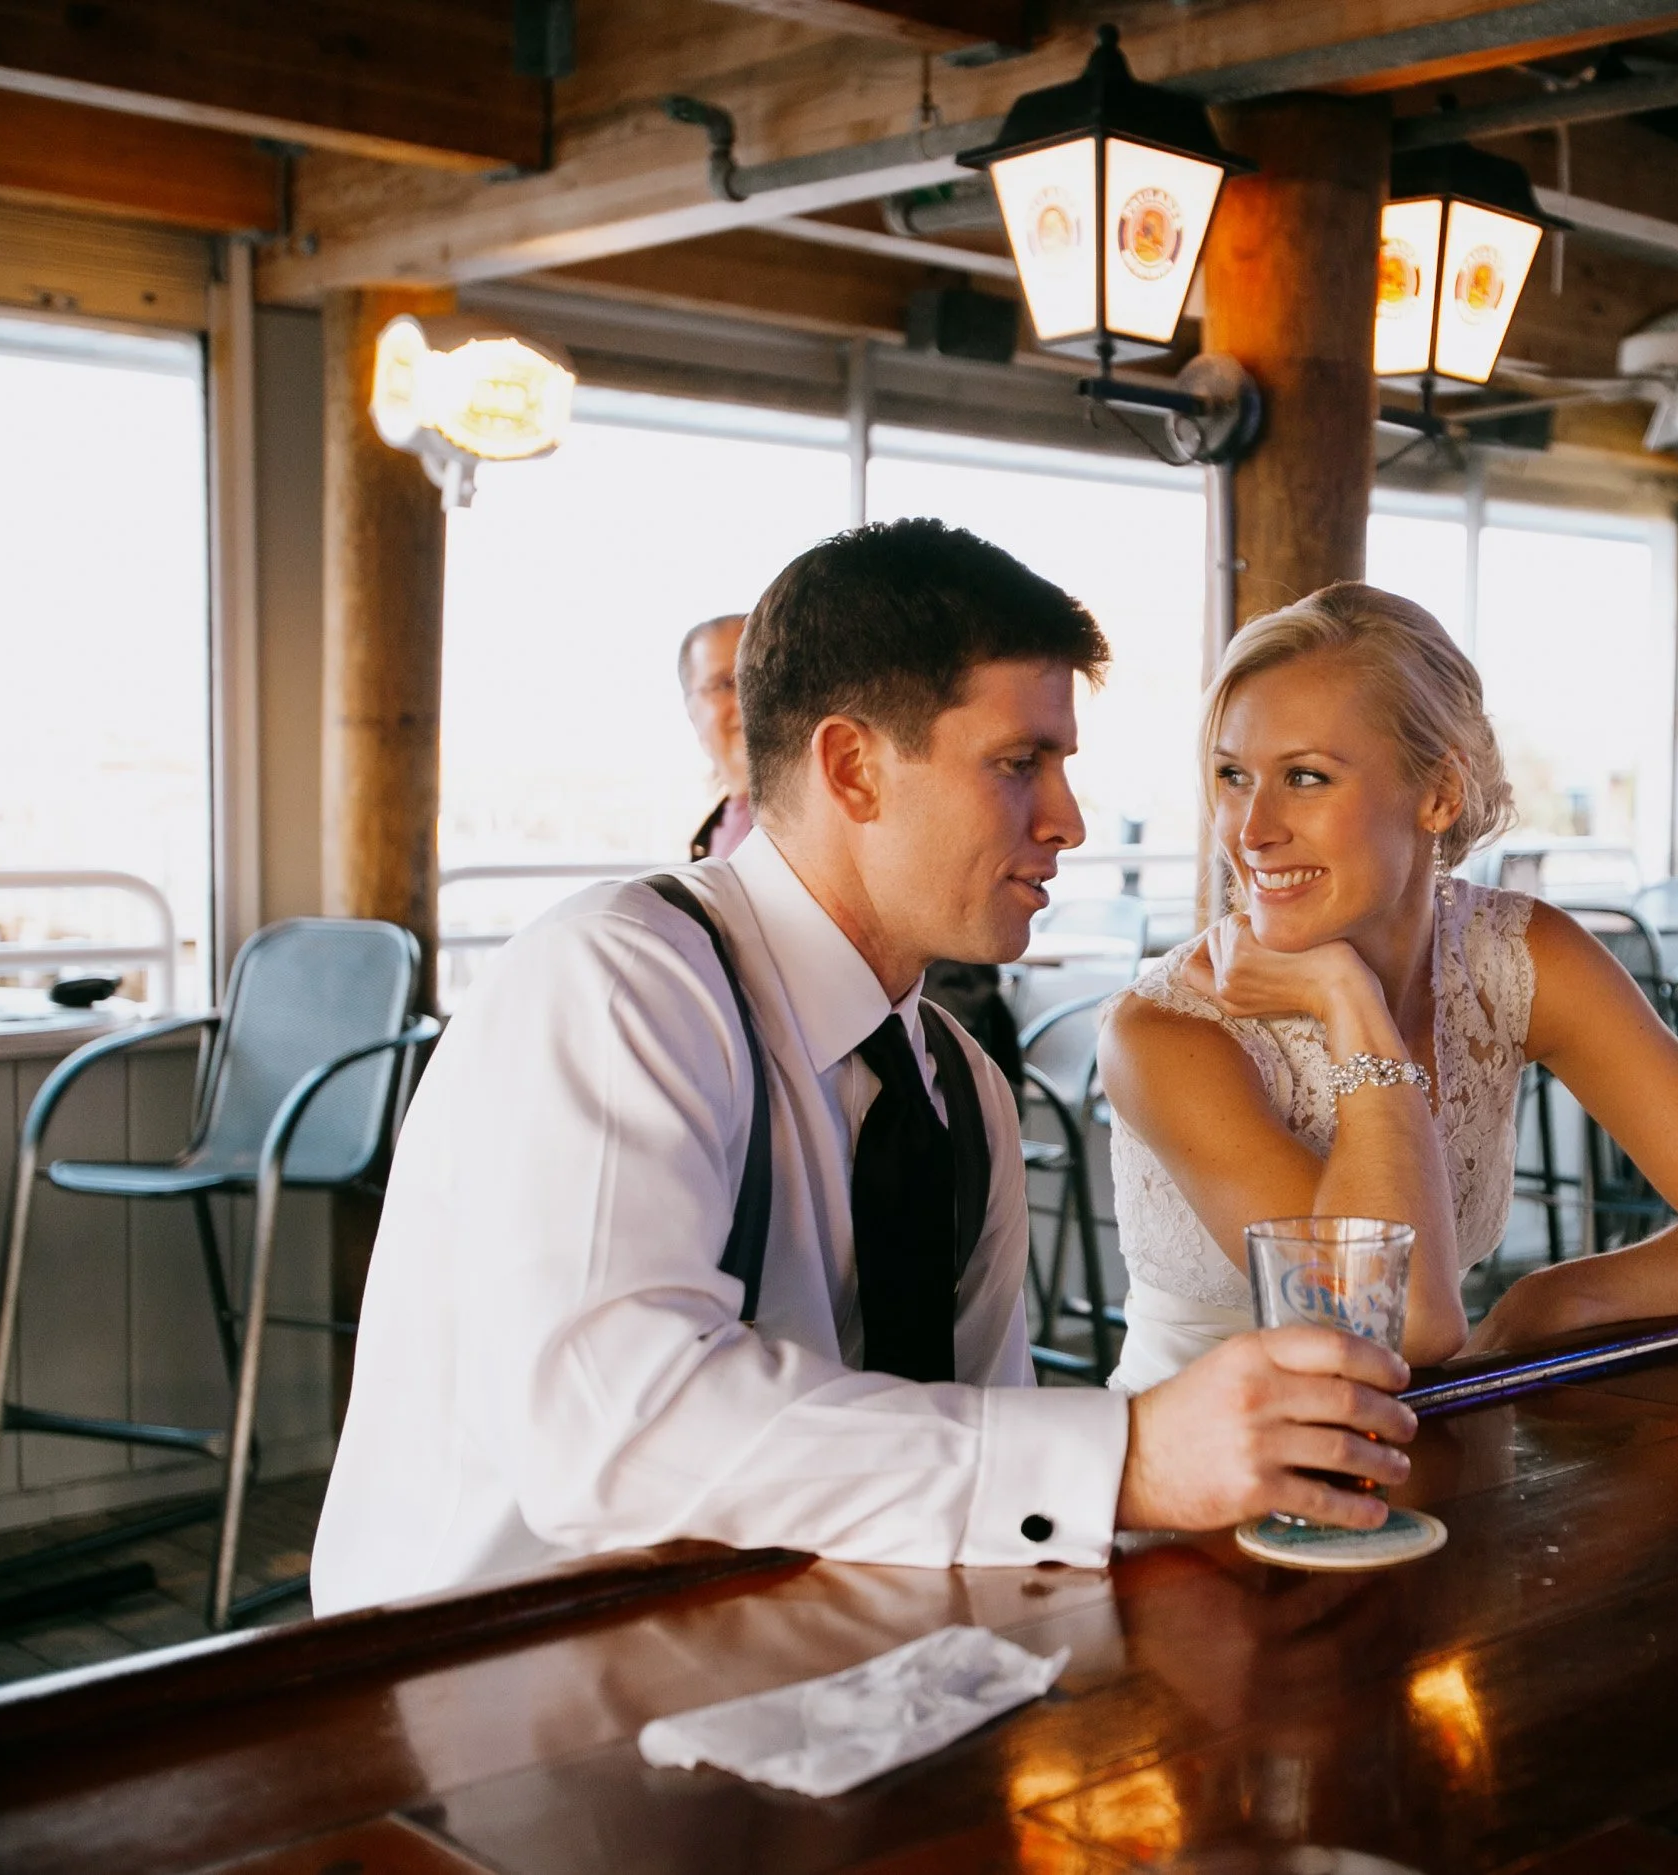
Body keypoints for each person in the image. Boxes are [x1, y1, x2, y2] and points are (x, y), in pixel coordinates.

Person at [312, 523, 1416, 1616]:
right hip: (486, 1698)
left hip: (815, 1682)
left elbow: (977, 1481)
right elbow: (618, 1435)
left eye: (1062, 766)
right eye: (1018, 763)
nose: (1069, 821)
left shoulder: (962, 1092)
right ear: (852, 768)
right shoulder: (621, 982)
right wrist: (1128, 1456)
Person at [1098, 582, 1678, 1391]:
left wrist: (1552, 1302)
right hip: (1198, 1496)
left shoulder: (1517, 955)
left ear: (1440, 793)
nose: (1251, 829)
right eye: (1233, 775)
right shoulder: (1164, 1032)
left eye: (1305, 777)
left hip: (1422, 1456)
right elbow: (1396, 1324)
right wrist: (1351, 1004)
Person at [680, 612, 753, 861]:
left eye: (758, 677)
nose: (747, 699)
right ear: (691, 711)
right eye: (724, 684)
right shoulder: (709, 838)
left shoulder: (817, 822)